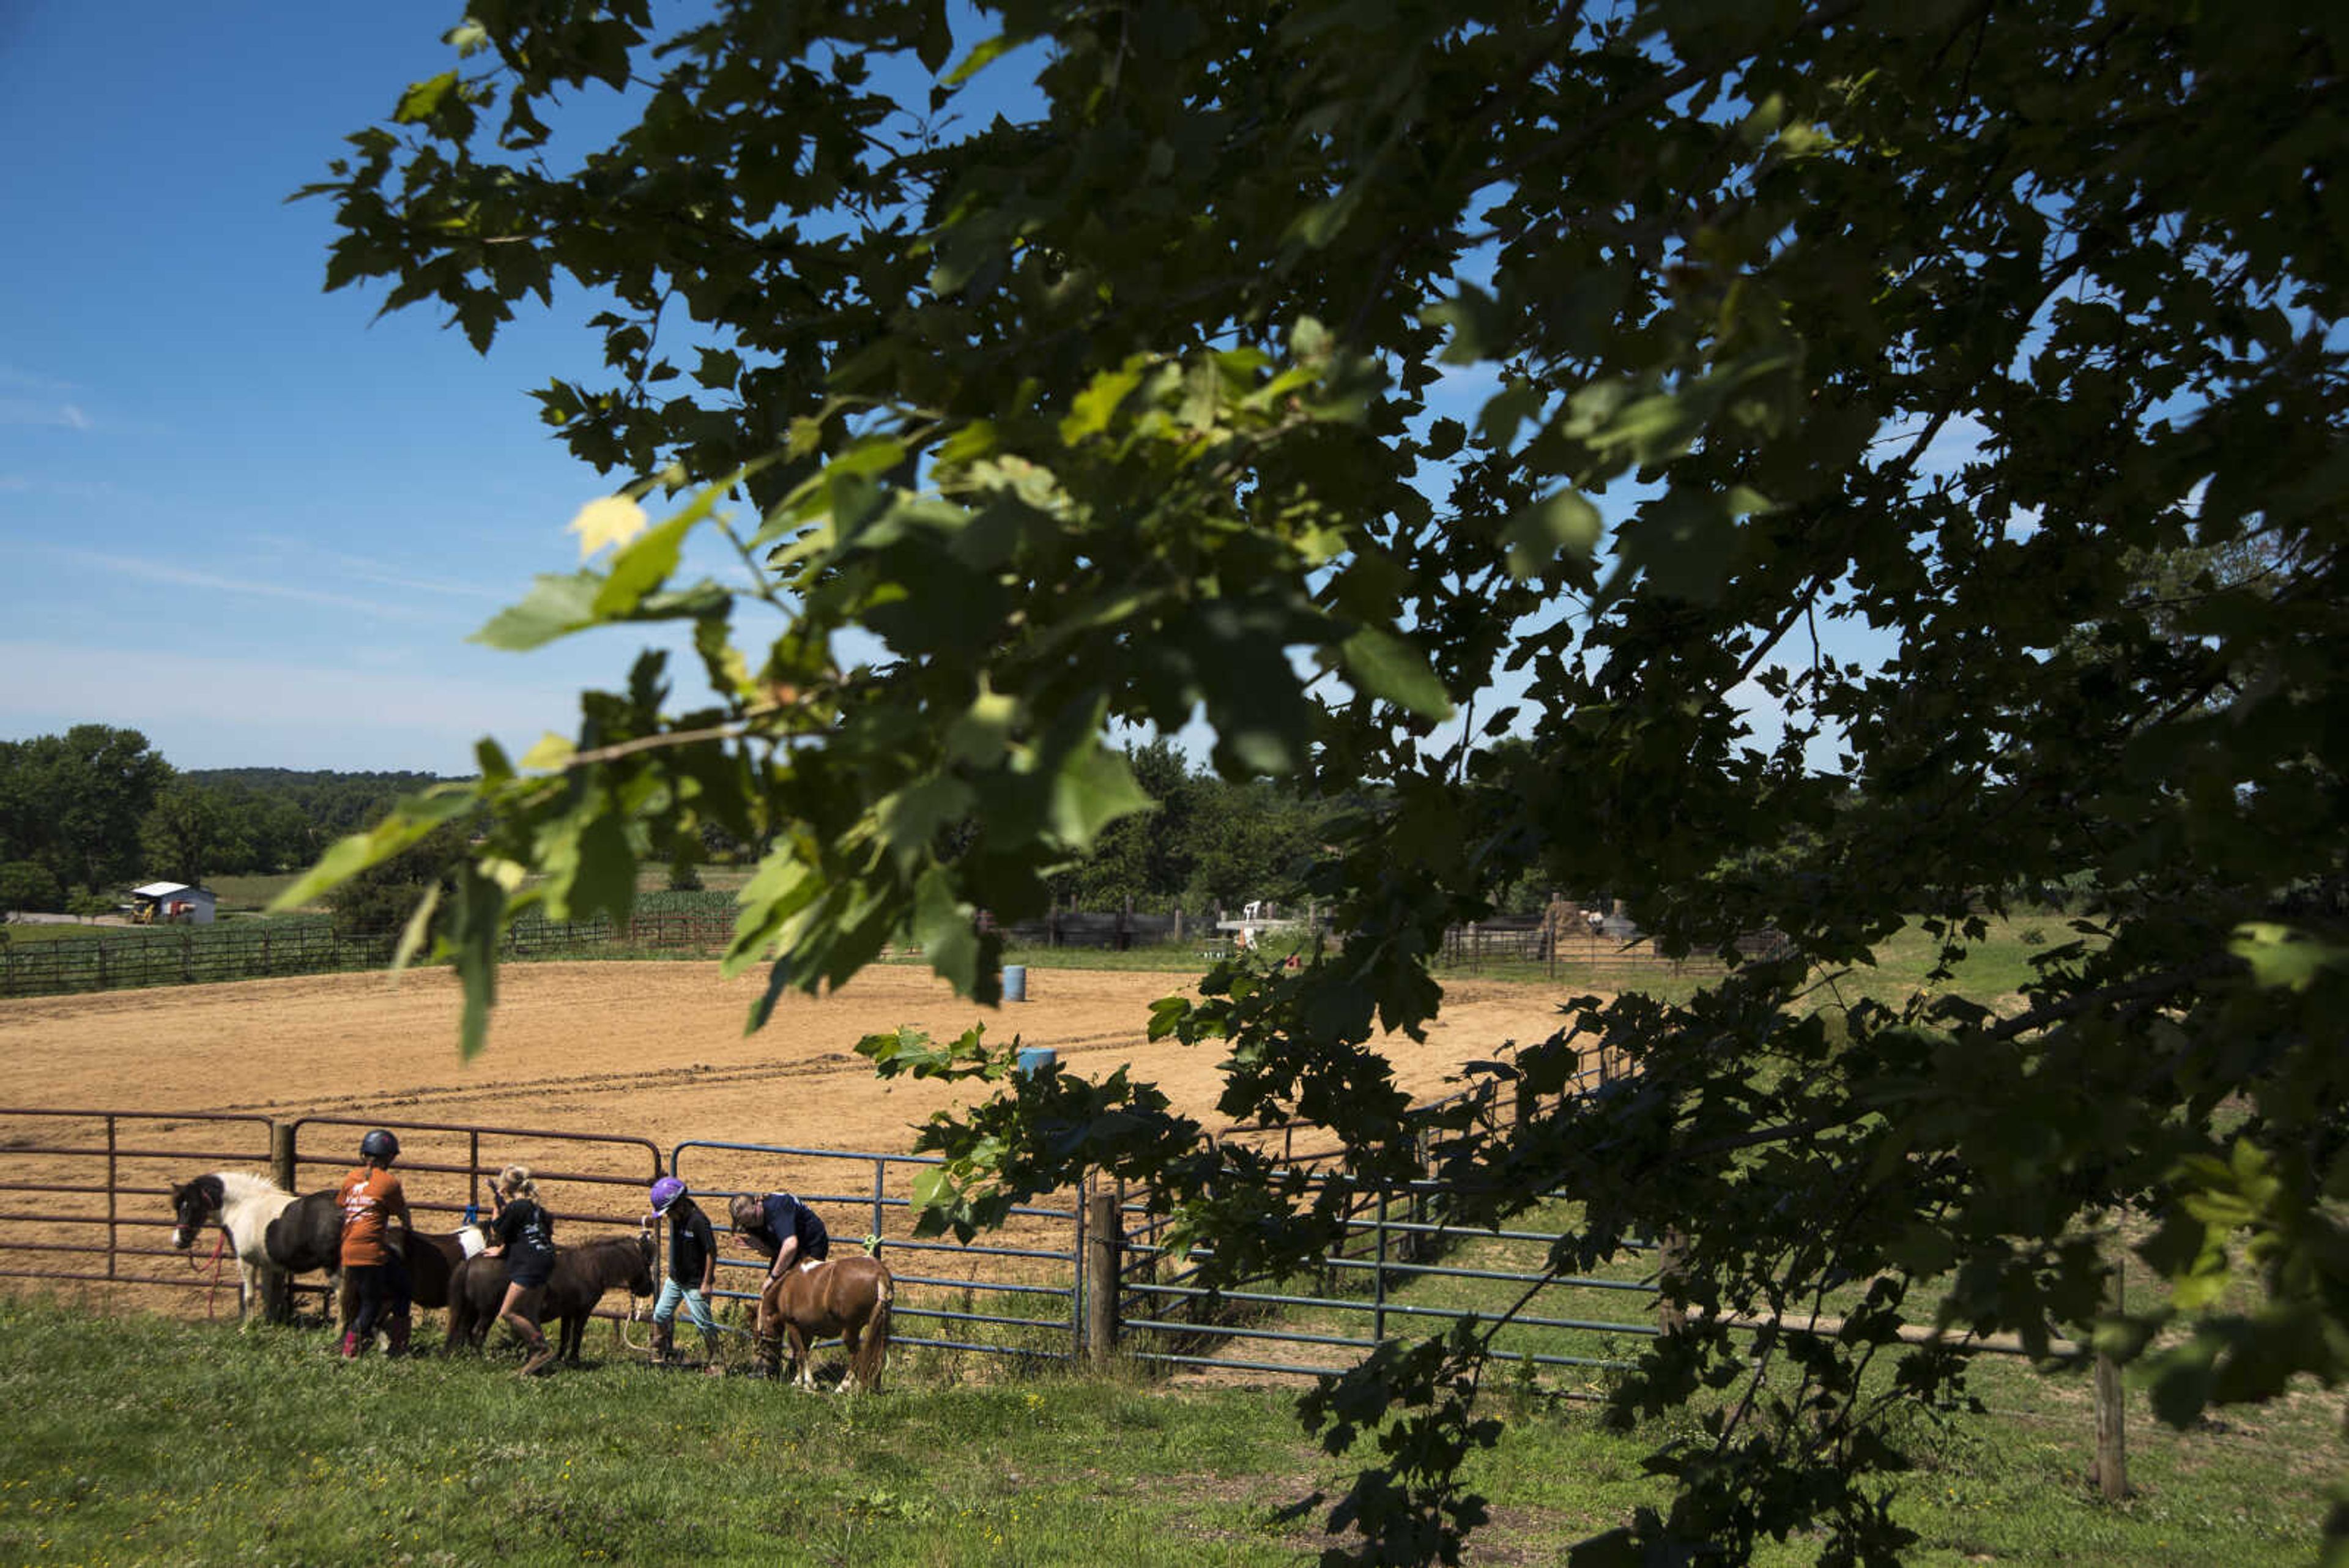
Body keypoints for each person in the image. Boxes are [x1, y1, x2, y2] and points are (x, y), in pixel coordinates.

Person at [336, 1128, 414, 1359]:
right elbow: (402, 1214)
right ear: (389, 1158)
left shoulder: (351, 1178)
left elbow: (342, 1205)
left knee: (402, 1287)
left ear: (364, 1155)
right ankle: (350, 1352)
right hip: (370, 1251)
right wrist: (409, 1230)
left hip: (350, 1246)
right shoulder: (389, 1183)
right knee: (371, 1304)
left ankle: (397, 1346)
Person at [479, 1164, 558, 1375]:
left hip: (529, 1263)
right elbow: (522, 1233)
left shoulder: (516, 1207)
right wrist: (503, 1250)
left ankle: (541, 1349)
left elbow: (496, 1232)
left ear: (507, 1185)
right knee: (530, 1313)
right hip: (546, 1259)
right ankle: (539, 1363)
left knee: (508, 1312)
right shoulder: (536, 1209)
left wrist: (496, 1208)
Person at [642, 1175, 722, 1372]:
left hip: (695, 1283)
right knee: (660, 1315)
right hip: (676, 1279)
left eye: (669, 1211)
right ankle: (658, 1353)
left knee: (704, 1323)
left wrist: (707, 1282)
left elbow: (712, 1252)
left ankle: (717, 1361)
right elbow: (659, 1216)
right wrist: (650, 1220)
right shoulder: (678, 1215)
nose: (667, 1216)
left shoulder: (699, 1222)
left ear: (680, 1204)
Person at [729, 1190, 829, 1290]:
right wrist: (760, 1247)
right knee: (772, 1291)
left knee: (804, 1290)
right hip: (786, 1245)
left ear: (757, 1202)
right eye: (747, 1224)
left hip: (811, 1242)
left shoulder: (777, 1207)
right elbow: (772, 1252)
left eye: (754, 1218)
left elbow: (790, 1246)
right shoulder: (750, 1222)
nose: (753, 1224)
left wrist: (773, 1277)